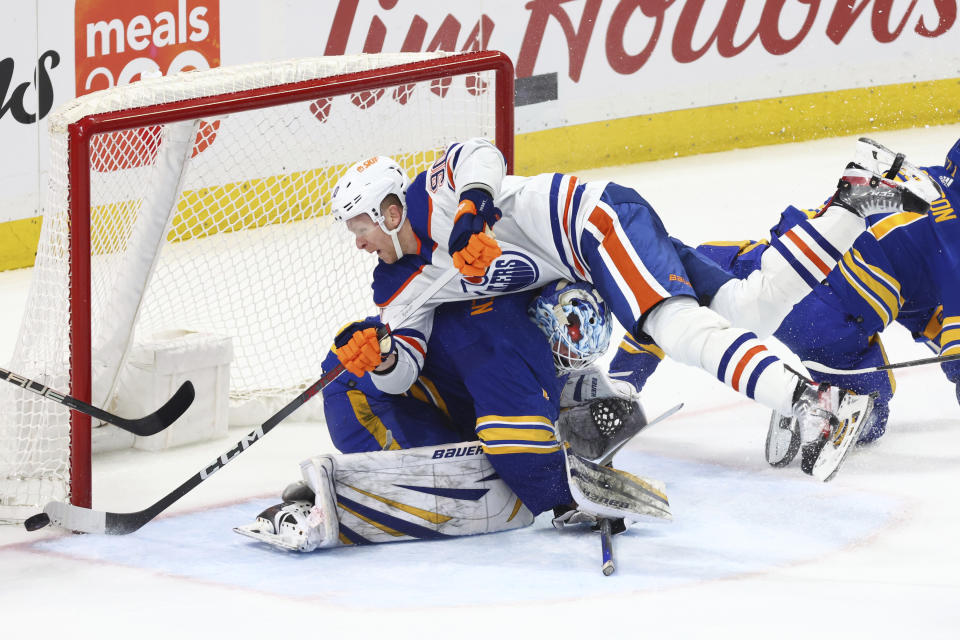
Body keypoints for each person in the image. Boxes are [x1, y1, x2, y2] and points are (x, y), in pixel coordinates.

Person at [329, 137, 941, 480]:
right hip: (586, 258)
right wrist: (380, 358)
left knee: (673, 327)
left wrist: (473, 209)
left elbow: (480, 157)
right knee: (744, 304)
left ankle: (811, 401)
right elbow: (405, 363)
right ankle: (854, 198)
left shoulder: (430, 193)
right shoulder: (397, 287)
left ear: (387, 208)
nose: (357, 239)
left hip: (591, 225)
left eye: (359, 223)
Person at [607, 136, 960, 466]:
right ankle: (821, 407)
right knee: (872, 413)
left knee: (671, 290)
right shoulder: (955, 237)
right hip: (828, 324)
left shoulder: (920, 180)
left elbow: (922, 291)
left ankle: (619, 386)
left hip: (781, 266)